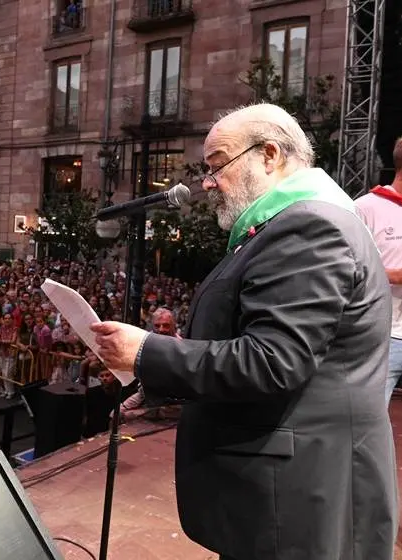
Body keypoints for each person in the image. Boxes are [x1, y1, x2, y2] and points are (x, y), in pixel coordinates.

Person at [91, 103, 397, 559]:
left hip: (297, 498)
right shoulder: (290, 225)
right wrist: (161, 381)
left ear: (270, 154)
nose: (209, 182)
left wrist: (146, 352)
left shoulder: (310, 228)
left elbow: (273, 361)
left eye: (218, 166)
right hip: (292, 491)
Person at [354, 136, 402, 404]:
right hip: (383, 334)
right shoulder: (366, 207)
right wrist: (393, 275)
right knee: (368, 421)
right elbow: (346, 268)